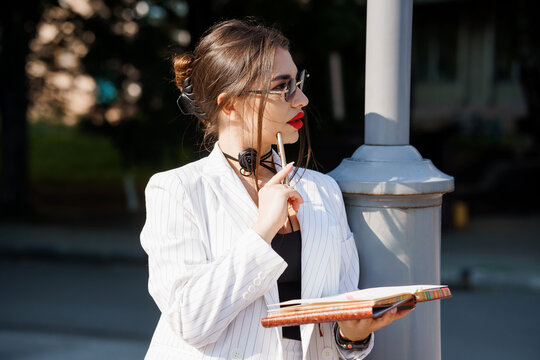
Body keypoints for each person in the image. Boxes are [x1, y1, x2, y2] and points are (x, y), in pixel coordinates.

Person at [140, 19, 410, 360]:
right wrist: (263, 229)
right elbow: (190, 322)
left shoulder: (322, 190)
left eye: (299, 83)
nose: (302, 99)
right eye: (283, 87)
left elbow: (336, 322)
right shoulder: (177, 190)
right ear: (230, 104)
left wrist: (351, 335)